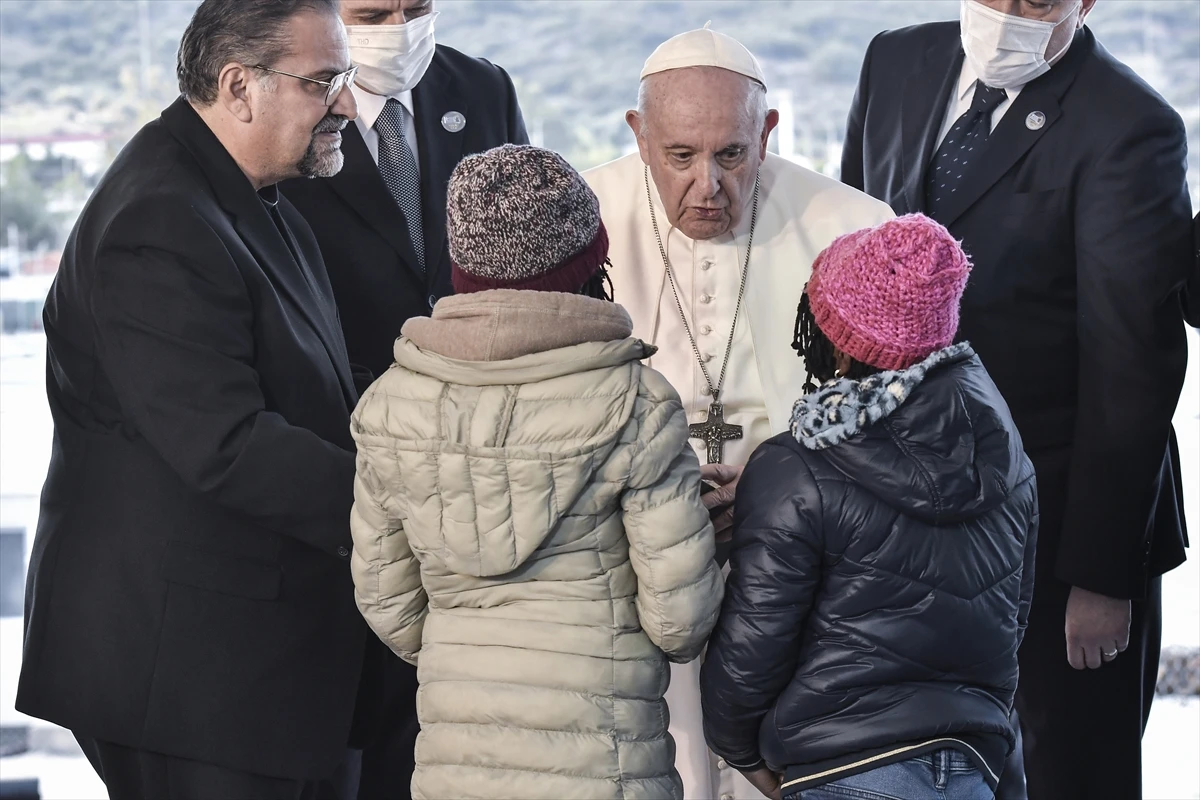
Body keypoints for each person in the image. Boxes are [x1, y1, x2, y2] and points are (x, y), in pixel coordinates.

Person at [16, 1, 369, 797]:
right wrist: (422, 498)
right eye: (322, 82)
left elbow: (320, 393)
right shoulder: (160, 218)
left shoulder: (251, 196)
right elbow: (228, 444)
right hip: (188, 673)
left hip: (248, 658)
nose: (344, 103)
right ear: (239, 86)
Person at [840, 2, 1194, 798]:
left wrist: (1103, 577)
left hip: (1065, 519)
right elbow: (852, 266)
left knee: (1073, 771)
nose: (1007, 14)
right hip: (907, 515)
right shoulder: (895, 63)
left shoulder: (1131, 125)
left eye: (1035, 1)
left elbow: (1130, 367)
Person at [347, 143, 724, 800]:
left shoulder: (390, 407)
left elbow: (388, 604)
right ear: (588, 264)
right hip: (606, 765)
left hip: (455, 764)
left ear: (463, 268)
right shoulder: (637, 403)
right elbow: (679, 621)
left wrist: (469, 654)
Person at [583, 27, 894, 800]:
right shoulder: (580, 216)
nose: (707, 187)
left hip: (800, 566)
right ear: (637, 134)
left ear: (769, 133)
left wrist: (774, 493)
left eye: (731, 155)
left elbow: (896, 421)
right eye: (679, 157)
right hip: (633, 569)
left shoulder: (852, 224)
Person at [701, 214, 1039, 800]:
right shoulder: (1009, 461)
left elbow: (755, 639)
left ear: (837, 339)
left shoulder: (796, 466)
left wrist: (738, 747)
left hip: (846, 767)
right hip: (971, 768)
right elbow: (1012, 626)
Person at [283, 0, 529, 381]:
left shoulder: (483, 87)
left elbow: (531, 238)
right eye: (372, 17)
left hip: (488, 378)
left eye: (416, 11)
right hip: (352, 393)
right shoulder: (285, 111)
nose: (400, 30)